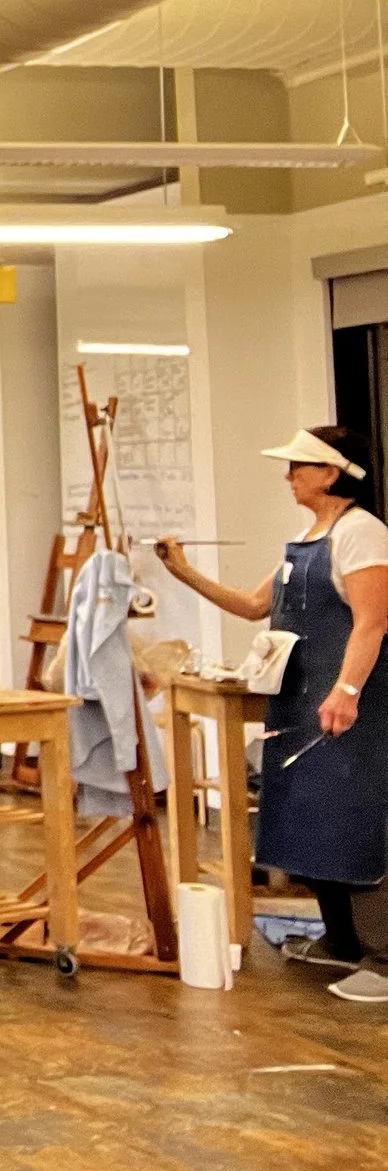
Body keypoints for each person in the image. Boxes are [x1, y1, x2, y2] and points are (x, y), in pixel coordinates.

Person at [157, 426, 388, 1001]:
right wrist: (182, 571)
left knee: (356, 822)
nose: (288, 476)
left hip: (347, 704)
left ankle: (383, 959)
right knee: (312, 822)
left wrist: (347, 690)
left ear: (332, 472)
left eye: (298, 466)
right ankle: (342, 944)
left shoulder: (363, 534)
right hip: (301, 702)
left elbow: (372, 621)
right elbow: (253, 605)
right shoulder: (307, 537)